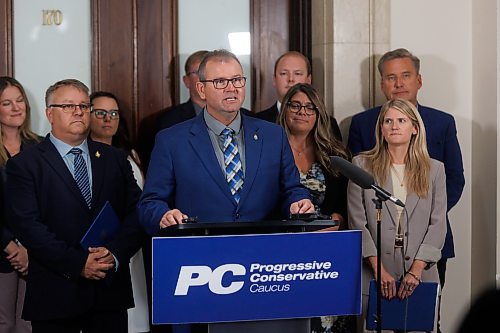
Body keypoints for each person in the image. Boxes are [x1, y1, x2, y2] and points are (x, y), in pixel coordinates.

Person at [5, 79, 145, 333]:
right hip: (56, 294)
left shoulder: (115, 158)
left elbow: (138, 212)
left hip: (108, 292)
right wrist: (79, 263)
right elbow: (28, 226)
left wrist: (113, 254)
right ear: (50, 113)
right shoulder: (25, 164)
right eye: (68, 106)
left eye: (83, 105)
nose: (79, 111)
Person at [347, 48, 465, 332]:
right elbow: (357, 212)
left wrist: (417, 224)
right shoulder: (362, 133)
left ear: (419, 80)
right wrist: (378, 264)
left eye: (405, 75)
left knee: (423, 322)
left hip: (424, 253)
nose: (398, 83)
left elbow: (453, 183)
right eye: (391, 77)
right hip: (376, 259)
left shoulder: (441, 126)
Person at [138, 49, 314, 234]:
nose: (231, 88)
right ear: (201, 89)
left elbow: (292, 189)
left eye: (237, 80)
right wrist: (164, 215)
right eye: (220, 82)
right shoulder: (171, 141)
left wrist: (299, 202)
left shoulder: (273, 135)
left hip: (263, 251)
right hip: (200, 252)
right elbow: (150, 203)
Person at [347, 99, 447, 333]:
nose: (394, 126)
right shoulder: (361, 165)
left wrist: (417, 270)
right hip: (374, 275)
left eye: (401, 120)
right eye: (388, 121)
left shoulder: (435, 169)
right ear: (381, 128)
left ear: (414, 128)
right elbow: (357, 222)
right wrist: (379, 270)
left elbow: (438, 223)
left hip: (421, 274)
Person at [277, 83, 354, 332]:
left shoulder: (335, 153)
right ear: (285, 109)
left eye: (310, 107)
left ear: (319, 114)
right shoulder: (266, 149)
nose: (302, 112)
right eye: (296, 105)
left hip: (327, 250)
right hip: (282, 251)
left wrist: (336, 221)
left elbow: (347, 203)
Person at [89, 91, 149, 333]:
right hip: (98, 244)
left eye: (113, 113)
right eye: (100, 113)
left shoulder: (130, 154)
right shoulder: (84, 155)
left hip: (131, 239)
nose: (108, 119)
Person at [0, 76, 41, 333]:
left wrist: (28, 247)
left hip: (34, 251)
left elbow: (47, 201)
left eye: (19, 100)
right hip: (2, 251)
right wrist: (11, 246)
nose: (17, 108)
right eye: (7, 103)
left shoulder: (39, 146)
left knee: (28, 325)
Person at [256, 51, 342, 140]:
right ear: (274, 79)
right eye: (284, 73)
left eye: (297, 74)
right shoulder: (256, 121)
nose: (291, 79)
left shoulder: (328, 124)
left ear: (309, 80)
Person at [157, 50, 209, 130]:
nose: (206, 78)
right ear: (187, 81)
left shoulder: (232, 114)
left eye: (211, 73)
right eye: (200, 72)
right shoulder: (170, 121)